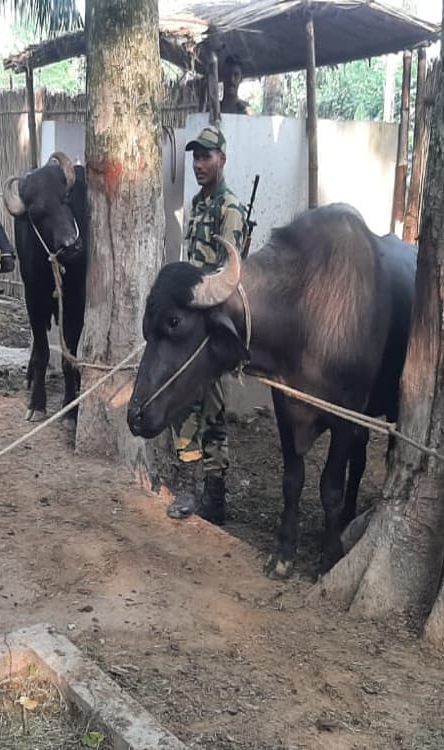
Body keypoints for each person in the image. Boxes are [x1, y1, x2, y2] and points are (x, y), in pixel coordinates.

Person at [167, 125, 247, 525]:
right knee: (185, 400)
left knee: (212, 406)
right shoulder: (198, 204)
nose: (199, 164)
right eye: (195, 157)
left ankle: (215, 494)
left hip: (213, 321)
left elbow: (224, 277)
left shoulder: (230, 208)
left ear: (222, 159)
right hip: (192, 319)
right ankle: (188, 485)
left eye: (207, 156)